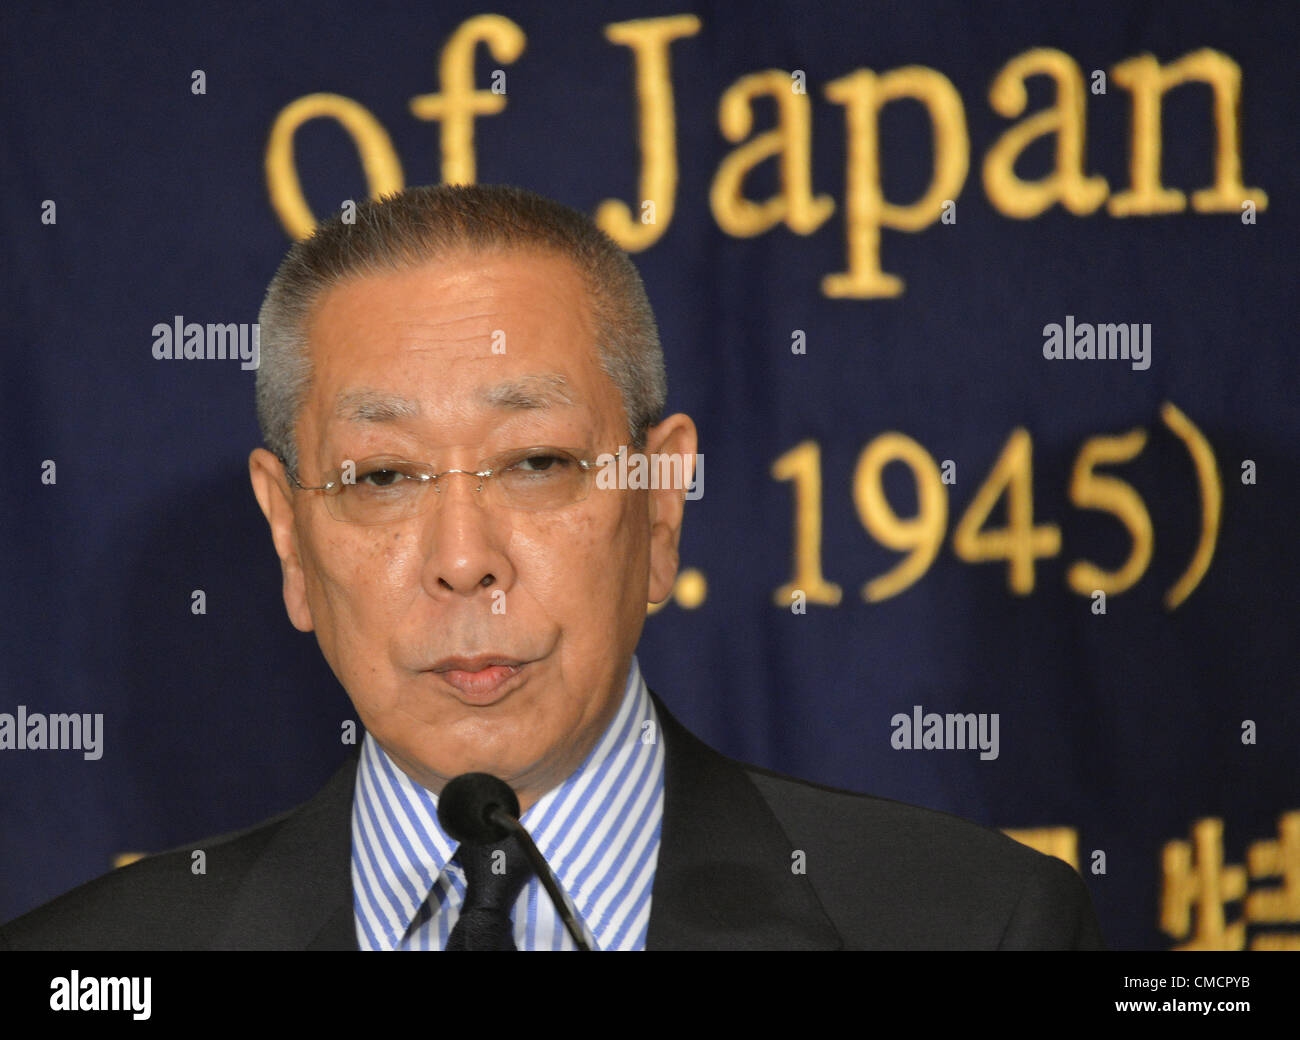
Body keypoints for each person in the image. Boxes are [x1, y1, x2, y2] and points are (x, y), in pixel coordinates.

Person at [1, 184, 1102, 950]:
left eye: (534, 461)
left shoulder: (972, 924)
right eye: (382, 477)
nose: (464, 560)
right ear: (289, 537)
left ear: (660, 501)